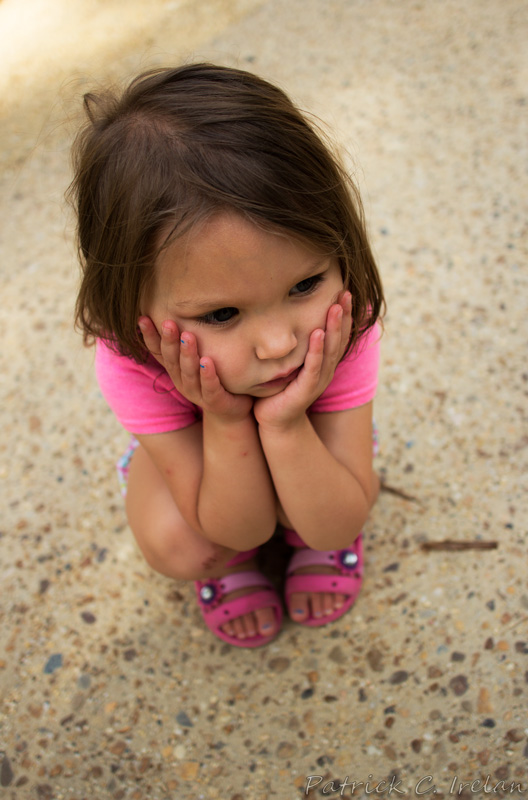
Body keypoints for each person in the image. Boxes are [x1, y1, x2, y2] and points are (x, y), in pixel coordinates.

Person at [70, 62, 384, 648]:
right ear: (130, 298)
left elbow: (338, 524)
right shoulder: (134, 361)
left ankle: (305, 496)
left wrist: (288, 427)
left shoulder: (346, 321)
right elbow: (237, 529)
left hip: (313, 439)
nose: (279, 344)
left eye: (303, 285)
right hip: (202, 458)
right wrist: (224, 416)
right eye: (220, 315)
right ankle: (242, 562)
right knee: (189, 544)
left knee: (324, 515)